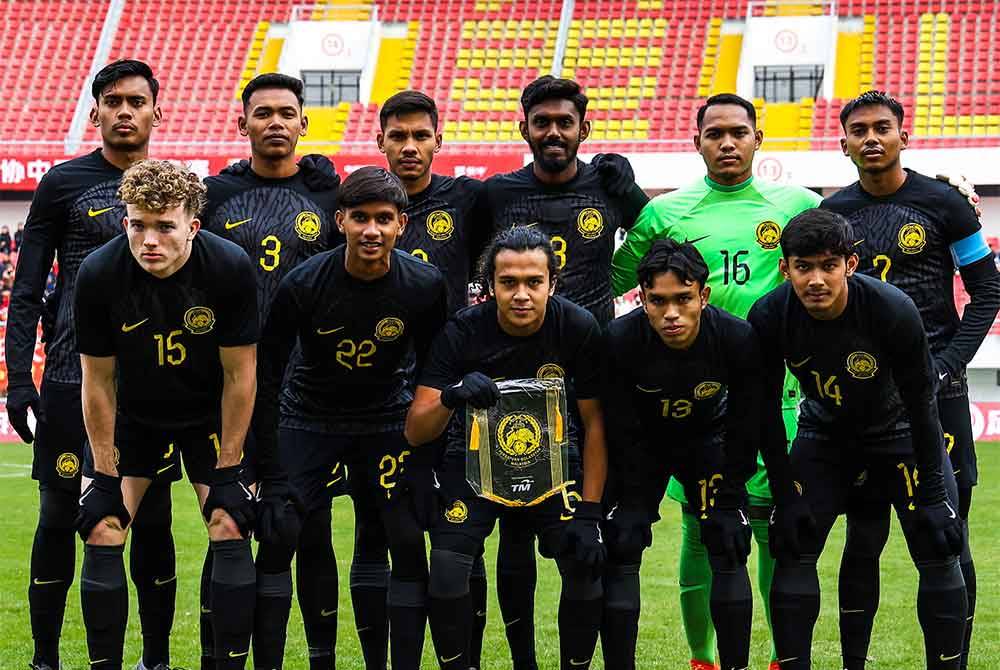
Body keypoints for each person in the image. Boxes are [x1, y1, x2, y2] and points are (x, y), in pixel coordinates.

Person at [610, 92, 821, 670]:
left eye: (739, 132)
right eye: (714, 134)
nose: (727, 143)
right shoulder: (665, 214)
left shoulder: (796, 204)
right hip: (694, 403)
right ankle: (703, 659)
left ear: (759, 138)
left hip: (778, 398)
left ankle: (783, 658)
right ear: (696, 140)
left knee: (774, 528)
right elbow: (606, 276)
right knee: (701, 532)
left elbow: (837, 255)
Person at [4, 60, 180, 670]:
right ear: (95, 112)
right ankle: (46, 659)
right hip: (70, 380)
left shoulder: (175, 188)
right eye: (113, 101)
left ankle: (154, 659)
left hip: (154, 384)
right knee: (58, 517)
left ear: (159, 111)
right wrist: (19, 377)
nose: (125, 111)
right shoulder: (62, 183)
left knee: (152, 520)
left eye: (137, 101)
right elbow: (27, 289)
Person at [820, 90, 999, 670]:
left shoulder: (945, 203)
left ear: (904, 135)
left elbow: (987, 290)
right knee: (863, 538)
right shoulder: (835, 214)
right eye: (859, 130)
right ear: (843, 142)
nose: (871, 138)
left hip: (936, 395)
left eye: (882, 128)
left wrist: (947, 363)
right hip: (862, 400)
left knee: (949, 538)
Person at [749, 209, 967, 670]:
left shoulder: (891, 309)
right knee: (792, 544)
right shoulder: (769, 316)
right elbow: (764, 412)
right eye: (803, 266)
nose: (816, 280)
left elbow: (923, 404)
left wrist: (931, 492)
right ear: (785, 267)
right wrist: (786, 495)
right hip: (825, 435)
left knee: (939, 543)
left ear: (851, 263)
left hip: (901, 431)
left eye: (828, 265)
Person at [251, 166, 447, 670]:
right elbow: (266, 373)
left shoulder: (424, 285)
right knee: (280, 537)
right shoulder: (303, 283)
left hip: (385, 419)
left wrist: (427, 464)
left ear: (403, 223)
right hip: (309, 417)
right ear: (340, 220)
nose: (371, 230)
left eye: (384, 218)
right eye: (359, 217)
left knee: (401, 539)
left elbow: (435, 373)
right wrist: (268, 471)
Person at [480, 76, 645, 668]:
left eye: (564, 122)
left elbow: (662, 252)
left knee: (593, 531)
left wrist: (637, 197)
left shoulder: (607, 187)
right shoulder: (497, 194)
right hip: (516, 386)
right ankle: (523, 657)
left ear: (585, 128)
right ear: (523, 127)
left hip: (595, 378)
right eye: (542, 121)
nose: (554, 131)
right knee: (517, 529)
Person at [73, 160, 259, 670]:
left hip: (206, 417)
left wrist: (227, 471)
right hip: (136, 416)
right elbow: (98, 382)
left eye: (164, 226)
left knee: (229, 521)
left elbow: (241, 376)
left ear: (192, 227)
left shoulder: (228, 267)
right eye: (137, 224)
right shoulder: (99, 274)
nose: (148, 239)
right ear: (124, 221)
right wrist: (105, 477)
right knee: (103, 526)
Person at [405, 226, 608, 670]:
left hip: (554, 462)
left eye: (534, 282)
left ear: (552, 283)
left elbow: (594, 424)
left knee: (585, 562)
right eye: (508, 282)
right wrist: (452, 395)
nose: (521, 294)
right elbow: (416, 429)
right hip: (474, 460)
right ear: (490, 285)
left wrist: (591, 511)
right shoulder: (463, 329)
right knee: (445, 567)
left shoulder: (576, 326)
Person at [201, 72, 342, 670]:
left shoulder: (330, 198)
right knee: (226, 523)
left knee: (307, 530)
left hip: (306, 396)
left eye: (287, 113)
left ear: (303, 124)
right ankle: (222, 657)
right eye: (263, 114)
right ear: (243, 125)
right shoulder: (213, 197)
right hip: (228, 390)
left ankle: (318, 658)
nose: (276, 123)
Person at [366, 89, 493, 668]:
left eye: (421, 136)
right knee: (387, 539)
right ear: (381, 142)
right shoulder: (366, 202)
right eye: (399, 136)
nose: (410, 147)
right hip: (378, 396)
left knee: (464, 542)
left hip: (457, 395)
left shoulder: (468, 199)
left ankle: (461, 659)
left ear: (439, 140)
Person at [602, 239, 763, 670]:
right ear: (641, 299)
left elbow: (747, 425)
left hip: (708, 441)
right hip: (642, 446)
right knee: (622, 541)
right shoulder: (618, 339)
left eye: (683, 299)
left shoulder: (736, 336)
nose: (671, 313)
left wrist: (729, 493)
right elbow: (616, 425)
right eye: (658, 301)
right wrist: (630, 495)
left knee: (728, 542)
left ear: (703, 296)